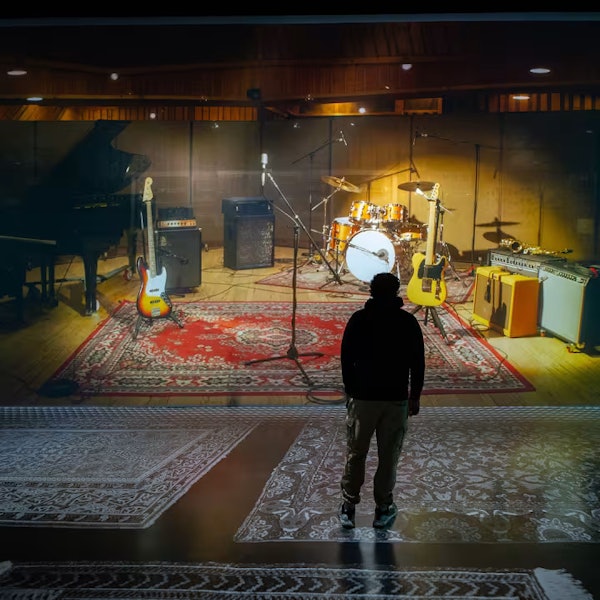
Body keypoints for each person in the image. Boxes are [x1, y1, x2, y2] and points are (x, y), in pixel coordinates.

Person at [338, 271, 425, 529]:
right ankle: (383, 508)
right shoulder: (408, 322)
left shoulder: (359, 320)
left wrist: (351, 390)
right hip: (395, 399)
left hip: (363, 398)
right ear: (397, 292)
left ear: (371, 292)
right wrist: (415, 395)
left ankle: (348, 507)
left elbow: (346, 359)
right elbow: (417, 363)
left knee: (356, 453)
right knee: (389, 457)